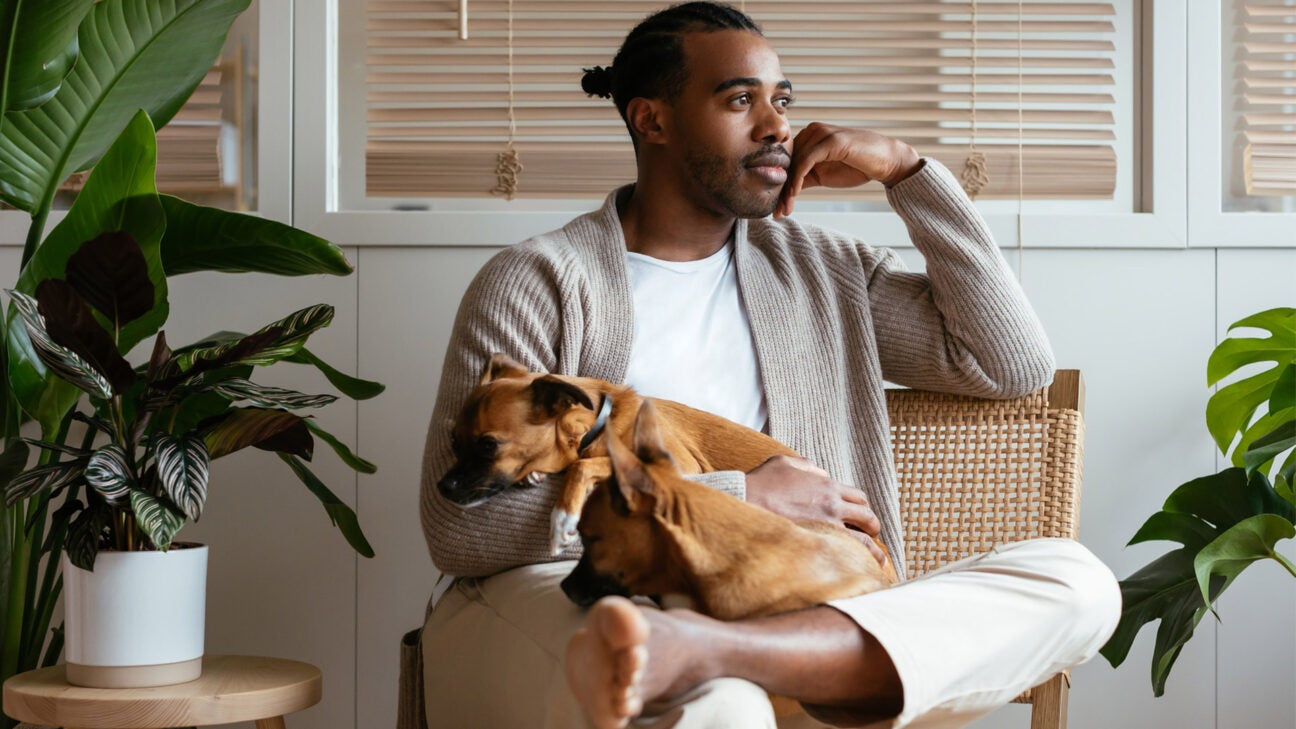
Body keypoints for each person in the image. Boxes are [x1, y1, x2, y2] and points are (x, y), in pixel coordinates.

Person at [418, 2, 1121, 728]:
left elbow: (1011, 363)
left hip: (786, 599)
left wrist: (908, 172)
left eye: (781, 99)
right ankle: (717, 658)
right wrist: (743, 493)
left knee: (1078, 582)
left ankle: (718, 649)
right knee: (723, 706)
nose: (776, 125)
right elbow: (458, 529)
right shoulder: (539, 281)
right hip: (574, 596)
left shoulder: (822, 270)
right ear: (652, 120)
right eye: (739, 99)